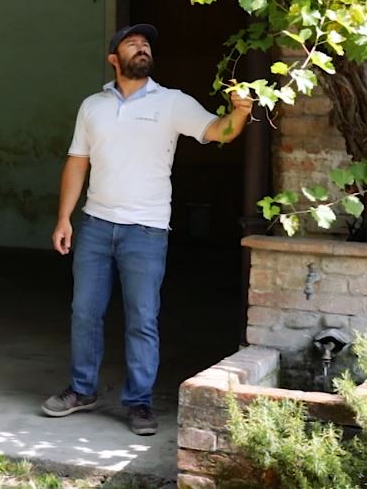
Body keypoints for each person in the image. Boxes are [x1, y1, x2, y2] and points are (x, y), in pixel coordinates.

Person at [41, 22, 253, 436]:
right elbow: (77, 161)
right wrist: (64, 218)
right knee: (85, 313)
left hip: (147, 230)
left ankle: (138, 403)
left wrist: (240, 111)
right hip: (97, 226)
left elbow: (219, 131)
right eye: (131, 43)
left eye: (145, 44)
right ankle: (82, 390)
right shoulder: (93, 106)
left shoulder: (172, 102)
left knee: (142, 319)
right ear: (113, 59)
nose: (141, 48)